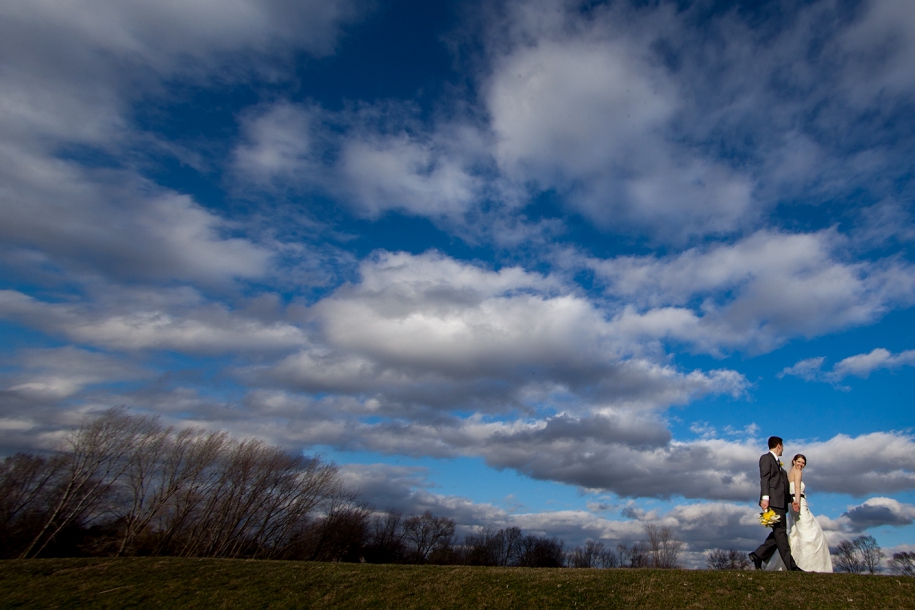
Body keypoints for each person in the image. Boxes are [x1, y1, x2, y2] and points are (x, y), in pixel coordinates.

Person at [749, 436, 803, 571]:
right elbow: (764, 478)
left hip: (781, 503)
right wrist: (765, 498)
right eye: (783, 446)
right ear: (779, 445)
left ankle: (758, 555)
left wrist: (792, 501)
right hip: (773, 503)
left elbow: (783, 486)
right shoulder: (766, 458)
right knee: (781, 535)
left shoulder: (780, 466)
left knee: (778, 535)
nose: (783, 448)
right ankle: (792, 567)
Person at [783, 454, 833, 572]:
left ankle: (794, 560)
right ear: (793, 461)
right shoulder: (797, 473)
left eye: (803, 463)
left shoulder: (788, 474)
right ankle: (808, 565)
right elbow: (796, 488)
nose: (801, 465)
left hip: (791, 504)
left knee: (797, 532)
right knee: (812, 532)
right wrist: (797, 503)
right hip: (798, 503)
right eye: (799, 462)